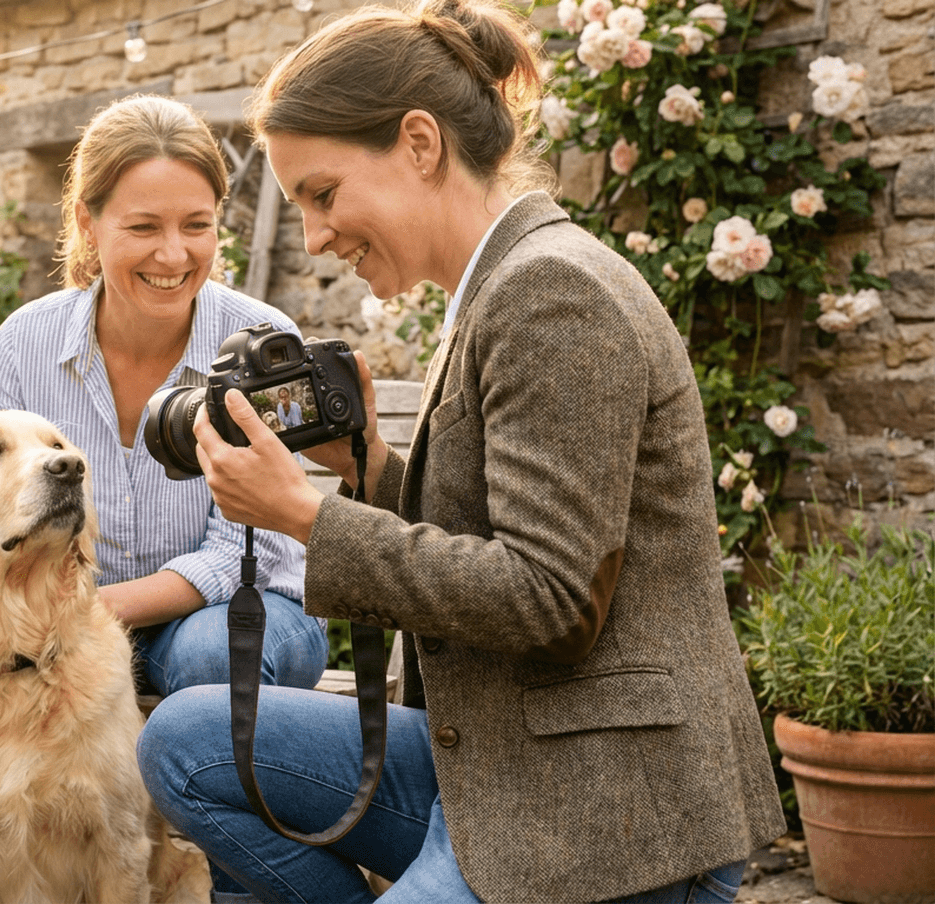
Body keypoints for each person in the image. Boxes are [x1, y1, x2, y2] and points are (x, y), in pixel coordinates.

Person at [135, 3, 787, 902]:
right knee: (185, 739)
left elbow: (551, 600)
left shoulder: (549, 293)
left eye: (322, 195)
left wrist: (303, 517)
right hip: (499, 765)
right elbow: (493, 531)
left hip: (606, 808)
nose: (317, 238)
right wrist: (362, 469)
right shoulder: (495, 285)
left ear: (418, 143)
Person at [0, 95, 329, 904]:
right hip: (64, 610)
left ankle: (243, 895)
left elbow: (254, 549)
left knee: (212, 657)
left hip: (242, 607)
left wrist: (87, 613)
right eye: (143, 227)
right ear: (88, 223)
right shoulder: (28, 341)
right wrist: (50, 614)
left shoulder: (258, 339)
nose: (174, 254)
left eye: (198, 225)